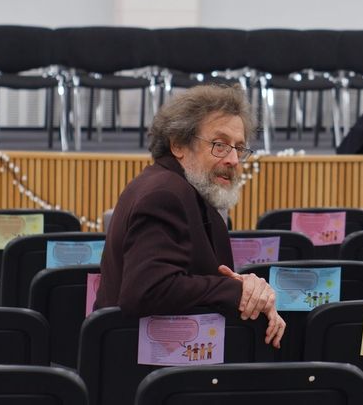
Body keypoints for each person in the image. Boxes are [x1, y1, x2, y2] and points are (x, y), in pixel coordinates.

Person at [95, 84, 285, 348]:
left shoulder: (181, 189)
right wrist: (236, 291)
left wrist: (250, 290)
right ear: (178, 145)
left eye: (239, 148)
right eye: (219, 145)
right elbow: (147, 289)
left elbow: (192, 277)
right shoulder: (165, 195)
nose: (233, 160)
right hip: (143, 371)